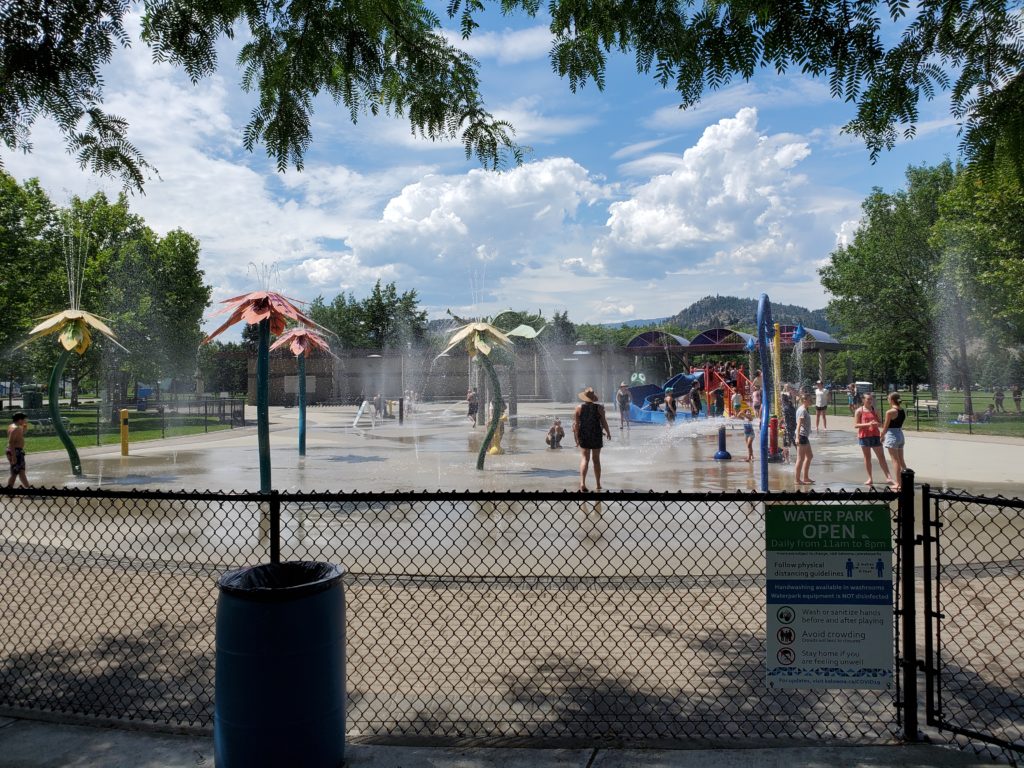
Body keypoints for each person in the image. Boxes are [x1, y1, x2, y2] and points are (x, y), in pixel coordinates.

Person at [573, 387, 612, 492]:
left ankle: (582, 483)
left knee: (585, 459)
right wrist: (608, 432)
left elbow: (576, 425)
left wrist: (577, 438)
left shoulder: (578, 408)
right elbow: (604, 421)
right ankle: (598, 484)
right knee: (596, 460)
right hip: (596, 435)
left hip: (584, 435)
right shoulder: (599, 408)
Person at [854, 393, 893, 487]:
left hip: (875, 435)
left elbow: (880, 423)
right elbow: (856, 425)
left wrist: (876, 424)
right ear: (863, 400)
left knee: (881, 457)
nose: (870, 401)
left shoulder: (875, 410)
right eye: (868, 399)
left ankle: (888, 476)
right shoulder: (859, 411)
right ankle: (870, 478)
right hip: (864, 436)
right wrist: (868, 424)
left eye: (871, 399)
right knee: (867, 458)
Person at [880, 392, 907, 490]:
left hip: (892, 435)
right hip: (900, 434)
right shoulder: (902, 410)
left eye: (888, 398)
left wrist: (882, 436)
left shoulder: (890, 412)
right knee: (901, 460)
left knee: (895, 461)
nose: (887, 400)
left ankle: (899, 484)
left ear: (891, 400)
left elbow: (885, 426)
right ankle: (907, 480)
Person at [6, 412, 31, 489]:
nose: (25, 420)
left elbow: (21, 434)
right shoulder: (15, 429)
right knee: (19, 472)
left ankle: (9, 490)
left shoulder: (13, 426)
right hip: (15, 452)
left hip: (15, 451)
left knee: (16, 472)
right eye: (24, 419)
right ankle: (29, 489)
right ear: (20, 420)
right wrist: (14, 456)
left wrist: (25, 427)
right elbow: (11, 442)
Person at [794, 392, 814, 485]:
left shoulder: (803, 409)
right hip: (801, 436)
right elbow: (798, 425)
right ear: (805, 400)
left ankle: (805, 477)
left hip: (804, 436)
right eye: (810, 399)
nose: (811, 401)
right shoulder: (802, 410)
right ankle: (797, 480)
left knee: (809, 456)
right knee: (800, 459)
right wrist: (797, 437)